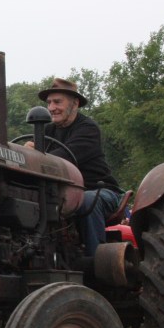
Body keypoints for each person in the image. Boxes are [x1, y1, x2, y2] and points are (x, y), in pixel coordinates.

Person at [29, 77, 121, 256]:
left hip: (99, 190)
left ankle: (96, 259)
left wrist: (32, 155)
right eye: (49, 103)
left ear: (75, 103)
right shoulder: (46, 131)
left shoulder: (88, 128)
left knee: (86, 201)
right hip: (60, 194)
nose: (51, 108)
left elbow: (63, 158)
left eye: (57, 102)